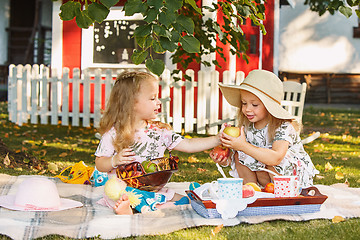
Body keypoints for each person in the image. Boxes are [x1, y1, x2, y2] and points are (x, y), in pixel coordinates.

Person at [94, 71, 221, 214]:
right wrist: (114, 160)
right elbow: (100, 164)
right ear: (131, 103)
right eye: (153, 98)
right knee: (120, 193)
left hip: (153, 188)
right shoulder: (114, 134)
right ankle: (129, 207)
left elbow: (188, 145)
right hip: (124, 189)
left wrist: (217, 139)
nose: (159, 102)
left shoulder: (160, 131)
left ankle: (150, 204)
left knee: (179, 197)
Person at [210, 69, 318, 189]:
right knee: (239, 154)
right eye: (244, 103)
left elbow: (276, 158)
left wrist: (243, 146)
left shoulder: (283, 126)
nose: (247, 109)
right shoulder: (247, 127)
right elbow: (243, 156)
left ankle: (282, 193)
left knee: (268, 158)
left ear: (269, 106)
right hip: (266, 179)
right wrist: (224, 159)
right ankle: (252, 189)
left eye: (254, 105)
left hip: (290, 179)